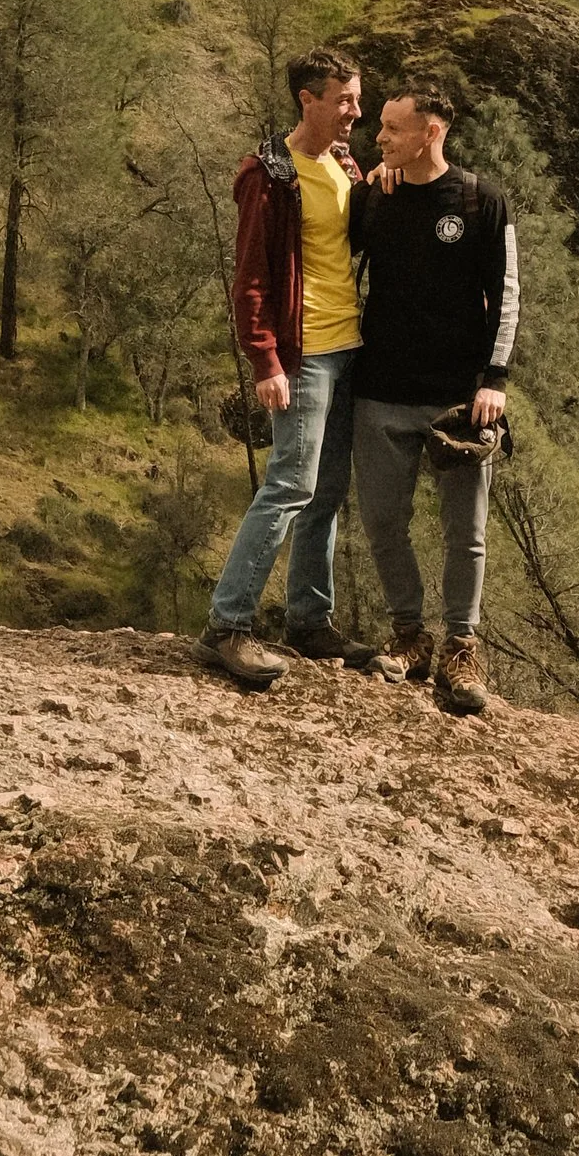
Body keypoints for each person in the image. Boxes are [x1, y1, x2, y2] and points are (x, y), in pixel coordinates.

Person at [197, 50, 390, 692]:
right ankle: (227, 627)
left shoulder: (343, 164)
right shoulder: (269, 174)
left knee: (328, 491)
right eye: (345, 100)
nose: (356, 113)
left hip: (347, 349)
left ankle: (311, 620)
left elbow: (349, 243)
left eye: (357, 100)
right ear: (308, 99)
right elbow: (250, 275)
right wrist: (265, 360)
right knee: (290, 485)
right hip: (301, 357)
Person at [349, 78, 517, 718]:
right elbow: (329, 252)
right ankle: (410, 636)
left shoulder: (480, 200)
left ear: (432, 132)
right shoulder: (375, 198)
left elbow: (505, 293)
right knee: (384, 521)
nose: (380, 137)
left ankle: (461, 648)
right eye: (380, 127)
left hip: (458, 400)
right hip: (381, 388)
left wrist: (493, 379)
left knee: (465, 533)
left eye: (392, 128)